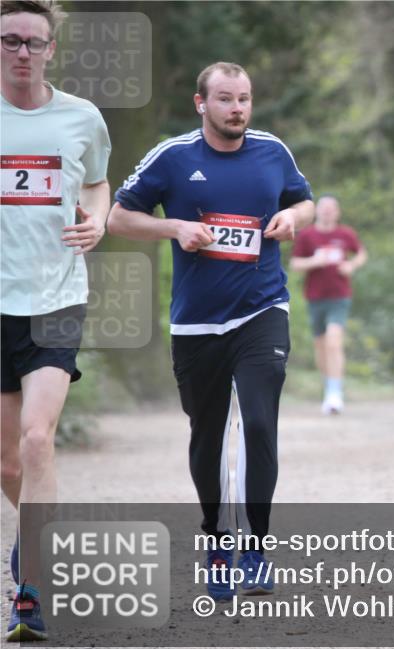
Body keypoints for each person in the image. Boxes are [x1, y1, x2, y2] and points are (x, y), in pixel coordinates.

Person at [107, 62, 314, 602]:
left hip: (262, 309)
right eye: (225, 99)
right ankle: (217, 538)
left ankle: (256, 549)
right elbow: (118, 218)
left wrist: (295, 220)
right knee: (208, 433)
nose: (237, 109)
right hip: (196, 320)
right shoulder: (172, 157)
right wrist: (173, 227)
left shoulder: (273, 150)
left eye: (244, 98)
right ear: (202, 104)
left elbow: (304, 200)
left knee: (261, 426)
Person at [1, 0, 111, 641]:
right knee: (8, 466)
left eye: (31, 42)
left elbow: (97, 183)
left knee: (37, 441)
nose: (20, 52)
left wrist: (95, 218)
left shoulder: (81, 118)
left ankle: (31, 591)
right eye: (9, 41)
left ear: (50, 49)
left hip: (55, 299)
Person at [290, 195, 366, 414]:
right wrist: (315, 261)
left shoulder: (345, 234)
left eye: (332, 209)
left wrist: (351, 265)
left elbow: (361, 253)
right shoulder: (307, 235)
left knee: (334, 341)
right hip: (315, 297)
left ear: (337, 212)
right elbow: (295, 264)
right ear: (317, 212)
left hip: (340, 296)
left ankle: (335, 394)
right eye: (323, 208)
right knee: (321, 346)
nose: (327, 212)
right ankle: (328, 387)